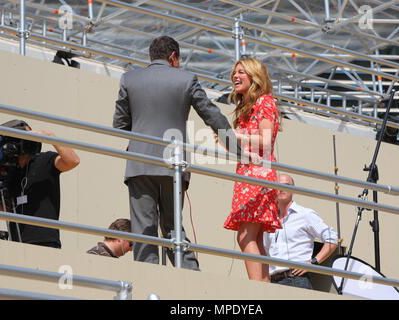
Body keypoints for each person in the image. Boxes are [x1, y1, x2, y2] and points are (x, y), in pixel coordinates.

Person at [112, 36, 240, 270]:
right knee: (172, 226)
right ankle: (190, 276)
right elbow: (212, 115)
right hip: (174, 165)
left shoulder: (129, 79)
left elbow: (119, 125)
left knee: (144, 228)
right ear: (173, 56)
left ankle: (147, 280)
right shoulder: (186, 79)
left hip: (139, 163)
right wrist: (236, 148)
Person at [223, 58, 282, 282]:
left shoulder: (265, 102)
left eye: (241, 72)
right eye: (234, 72)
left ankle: (257, 290)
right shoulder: (247, 107)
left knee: (246, 237)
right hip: (248, 173)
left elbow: (266, 142)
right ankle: (263, 288)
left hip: (257, 174)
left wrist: (236, 135)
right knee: (254, 238)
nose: (235, 76)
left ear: (254, 77)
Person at [0, 119, 80, 248]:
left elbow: (73, 161)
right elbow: (8, 211)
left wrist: (50, 136)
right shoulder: (10, 172)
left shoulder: (45, 160)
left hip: (45, 242)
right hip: (16, 243)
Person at [264, 174, 338, 290]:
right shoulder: (268, 220)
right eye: (278, 185)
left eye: (286, 185)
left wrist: (313, 262)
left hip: (296, 280)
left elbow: (332, 239)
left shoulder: (305, 214)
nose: (282, 188)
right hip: (271, 282)